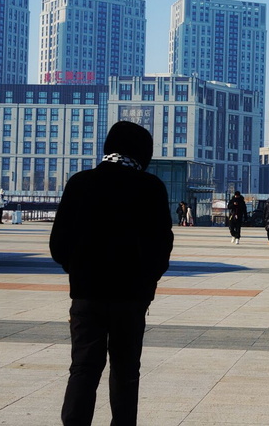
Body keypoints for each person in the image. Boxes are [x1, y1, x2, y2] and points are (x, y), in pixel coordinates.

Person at [50, 121, 174, 426]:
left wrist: (80, 271)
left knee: (83, 368)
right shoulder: (151, 187)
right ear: (142, 153)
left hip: (87, 295)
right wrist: (147, 281)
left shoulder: (80, 183)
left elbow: (58, 244)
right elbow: (161, 246)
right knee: (126, 370)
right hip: (130, 299)